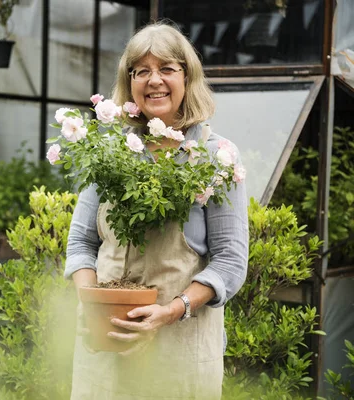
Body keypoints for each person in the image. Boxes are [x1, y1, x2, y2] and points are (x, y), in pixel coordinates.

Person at [64, 21, 249, 400]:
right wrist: (90, 304)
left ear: (187, 77)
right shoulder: (110, 153)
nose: (154, 81)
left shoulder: (216, 158)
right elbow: (81, 242)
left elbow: (230, 262)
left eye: (167, 69)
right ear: (129, 81)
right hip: (105, 349)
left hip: (178, 351)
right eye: (142, 71)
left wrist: (170, 311)